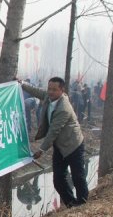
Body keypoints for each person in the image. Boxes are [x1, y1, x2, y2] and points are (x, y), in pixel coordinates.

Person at [22, 77, 88, 207]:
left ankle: (82, 203)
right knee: (58, 180)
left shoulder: (64, 108)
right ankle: (71, 204)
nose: (51, 92)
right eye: (49, 89)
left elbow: (53, 131)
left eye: (54, 89)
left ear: (62, 90)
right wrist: (22, 84)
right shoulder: (49, 97)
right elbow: (37, 91)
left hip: (73, 145)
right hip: (60, 146)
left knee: (77, 177)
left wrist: (41, 150)